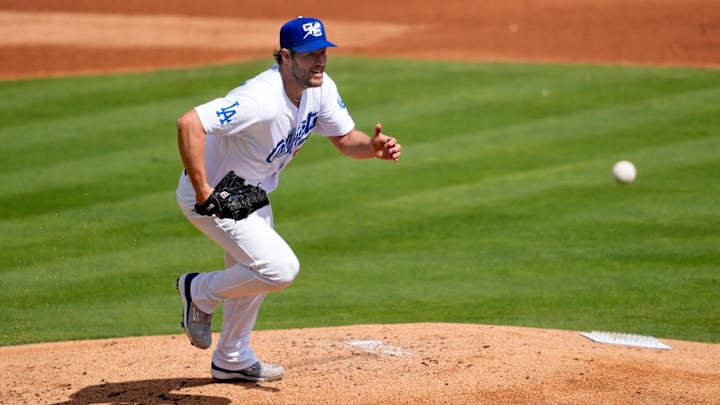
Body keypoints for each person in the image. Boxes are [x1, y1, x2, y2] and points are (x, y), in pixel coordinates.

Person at [174, 16, 402, 383]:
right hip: (216, 193)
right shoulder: (258, 100)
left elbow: (345, 138)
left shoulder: (321, 88)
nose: (321, 61)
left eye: (324, 52)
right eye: (311, 54)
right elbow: (190, 124)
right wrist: (203, 191)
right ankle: (198, 291)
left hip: (250, 193)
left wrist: (372, 148)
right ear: (285, 56)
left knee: (253, 272)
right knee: (279, 269)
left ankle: (231, 357)